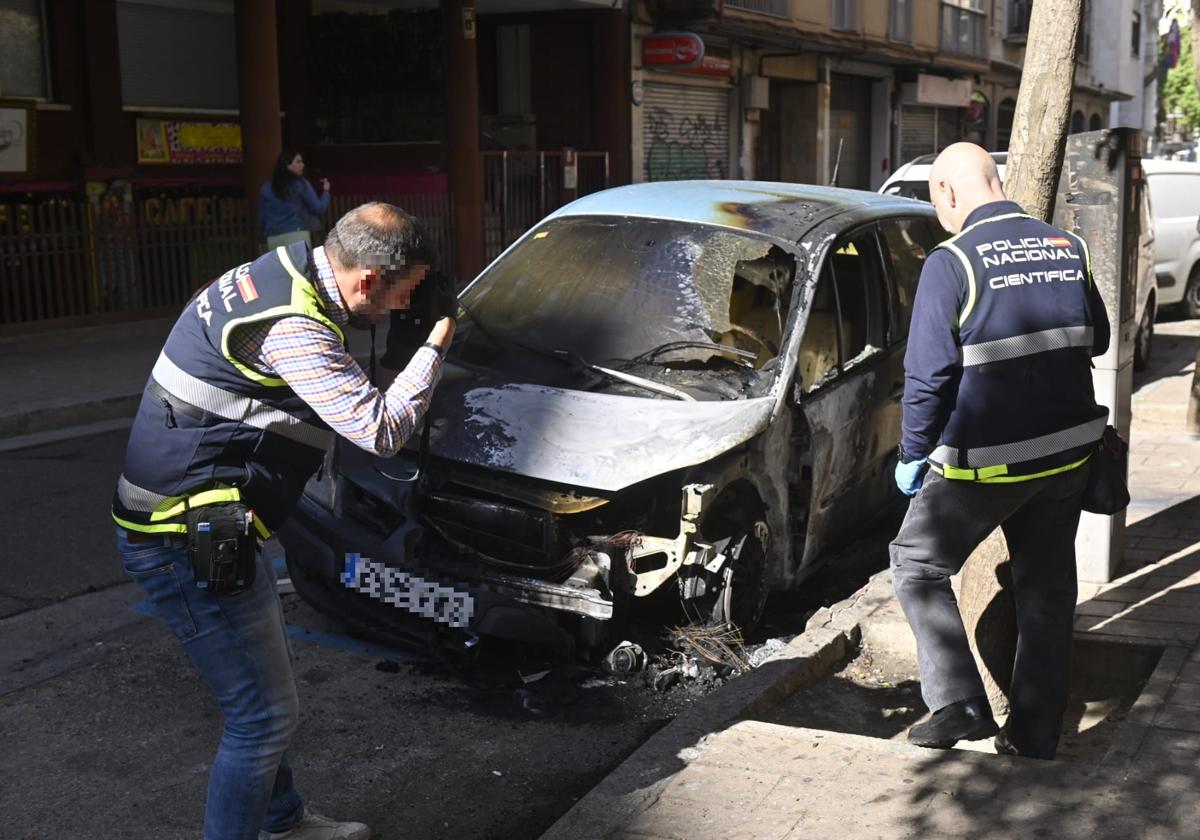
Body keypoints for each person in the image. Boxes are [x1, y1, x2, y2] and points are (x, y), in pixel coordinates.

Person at [112, 203, 457, 840]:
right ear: (368, 282)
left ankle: (283, 821)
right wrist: (436, 346)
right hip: (180, 539)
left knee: (257, 701)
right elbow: (379, 430)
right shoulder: (295, 324)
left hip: (209, 522)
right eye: (401, 297)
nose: (397, 312)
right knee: (262, 716)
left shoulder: (280, 271)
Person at [889, 143, 1110, 760]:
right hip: (1068, 455)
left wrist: (912, 452)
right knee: (1046, 591)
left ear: (947, 194)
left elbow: (928, 375)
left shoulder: (951, 261)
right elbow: (1100, 336)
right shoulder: (1069, 247)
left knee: (916, 564)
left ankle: (958, 703)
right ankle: (1035, 735)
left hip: (987, 463)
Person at [259, 149, 331, 250]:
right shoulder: (300, 184)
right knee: (299, 266)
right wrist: (326, 192)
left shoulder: (266, 188)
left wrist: (262, 240)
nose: (302, 165)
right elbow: (318, 208)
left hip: (273, 237)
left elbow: (262, 217)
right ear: (287, 165)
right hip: (297, 234)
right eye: (298, 161)